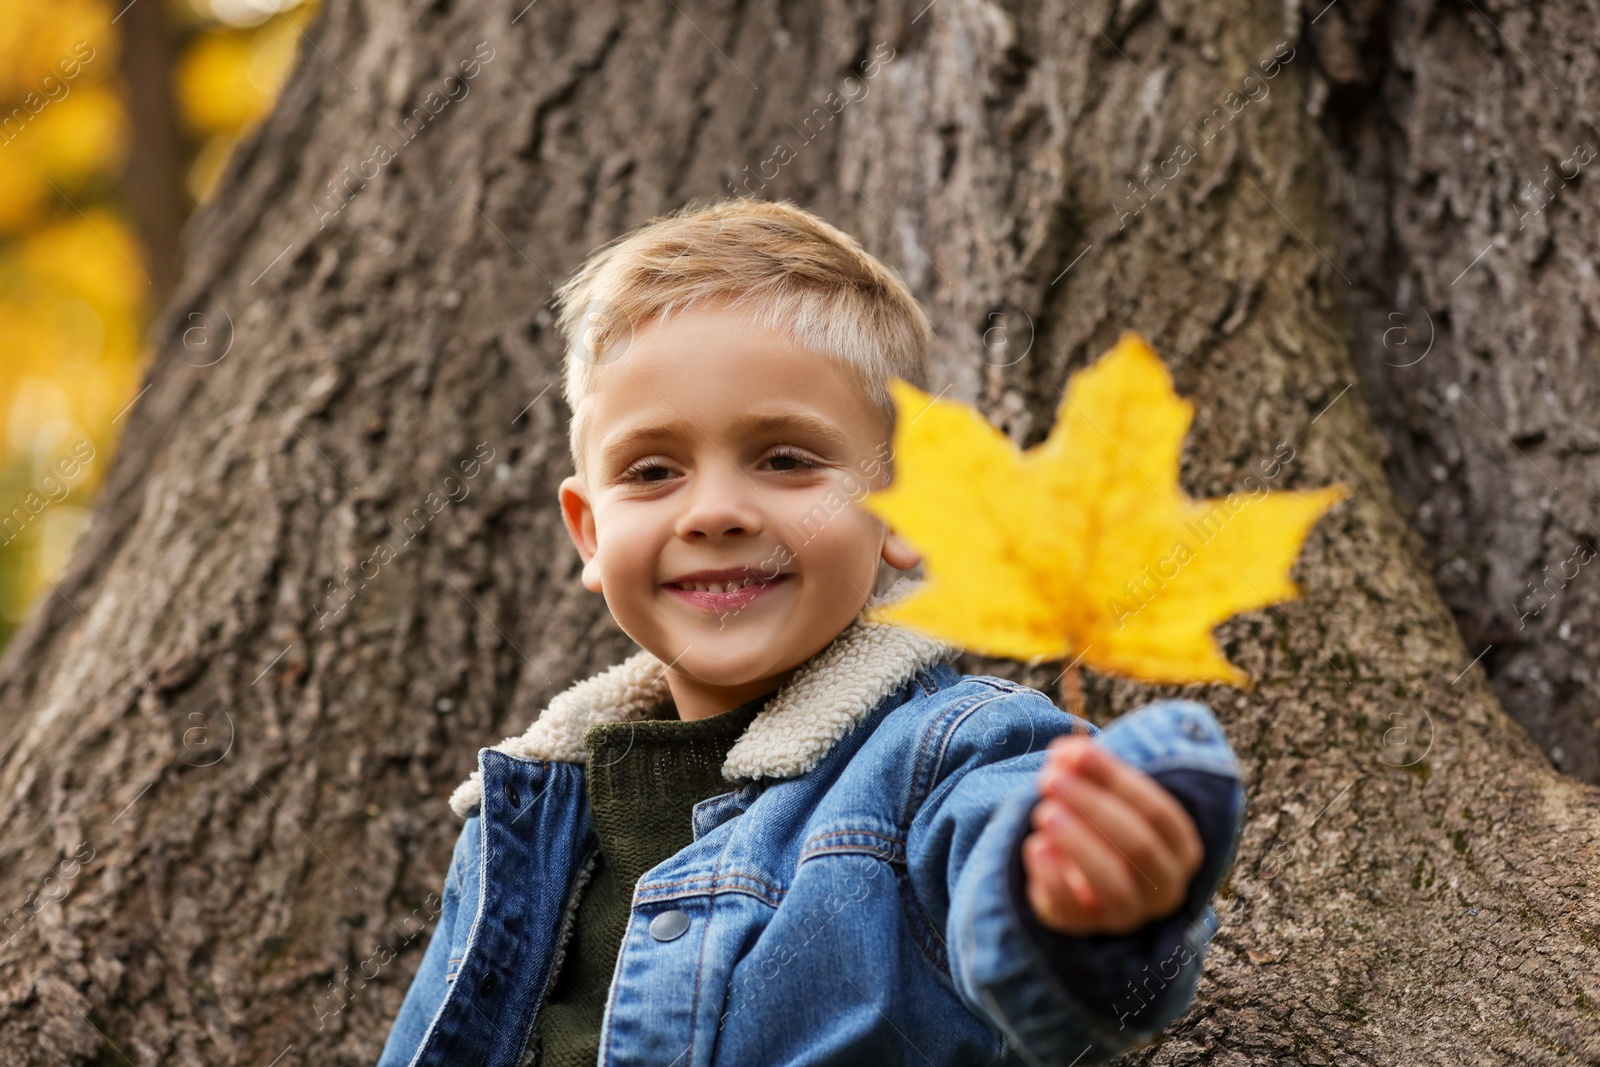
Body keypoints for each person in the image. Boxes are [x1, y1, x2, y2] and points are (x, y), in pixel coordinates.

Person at [375, 197, 1248, 1067]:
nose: (713, 511)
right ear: (591, 531)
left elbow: (1012, 864)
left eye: (786, 458)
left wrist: (1078, 903)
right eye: (652, 470)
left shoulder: (953, 754)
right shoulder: (517, 821)